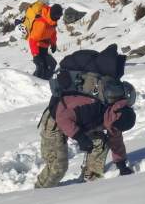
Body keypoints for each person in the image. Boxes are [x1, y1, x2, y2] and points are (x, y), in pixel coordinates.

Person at [35, 44, 136, 188]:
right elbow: (62, 117)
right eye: (114, 126)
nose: (113, 129)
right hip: (55, 121)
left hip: (80, 121)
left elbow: (116, 140)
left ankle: (89, 183)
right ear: (114, 115)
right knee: (58, 167)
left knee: (100, 142)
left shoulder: (116, 115)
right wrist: (80, 137)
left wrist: (121, 164)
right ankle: (38, 193)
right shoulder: (92, 106)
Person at [28, 4, 62, 80]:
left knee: (52, 64)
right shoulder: (41, 24)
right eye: (57, 16)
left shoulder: (52, 22)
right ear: (53, 14)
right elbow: (32, 39)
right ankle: (34, 83)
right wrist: (35, 55)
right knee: (41, 66)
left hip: (44, 47)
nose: (58, 18)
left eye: (59, 16)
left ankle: (45, 82)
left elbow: (53, 33)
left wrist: (53, 44)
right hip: (37, 47)